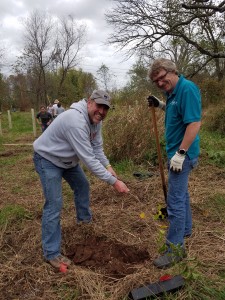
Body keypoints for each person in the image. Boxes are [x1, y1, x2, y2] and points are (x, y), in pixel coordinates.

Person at [33, 90, 129, 270]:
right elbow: (88, 159)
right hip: (48, 158)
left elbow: (97, 147)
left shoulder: (95, 121)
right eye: (99, 106)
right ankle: (51, 253)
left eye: (105, 108)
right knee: (54, 203)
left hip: (67, 161)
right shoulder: (75, 122)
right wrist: (114, 182)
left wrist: (108, 166)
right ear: (89, 102)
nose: (101, 111)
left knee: (82, 186)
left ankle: (84, 224)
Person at [147, 58, 201, 269]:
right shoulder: (172, 94)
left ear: (172, 71)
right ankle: (185, 229)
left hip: (182, 155)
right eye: (156, 81)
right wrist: (160, 104)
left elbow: (194, 123)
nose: (160, 83)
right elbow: (177, 114)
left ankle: (174, 250)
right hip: (176, 154)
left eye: (162, 77)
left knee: (175, 200)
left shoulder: (187, 89)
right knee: (181, 194)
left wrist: (180, 153)